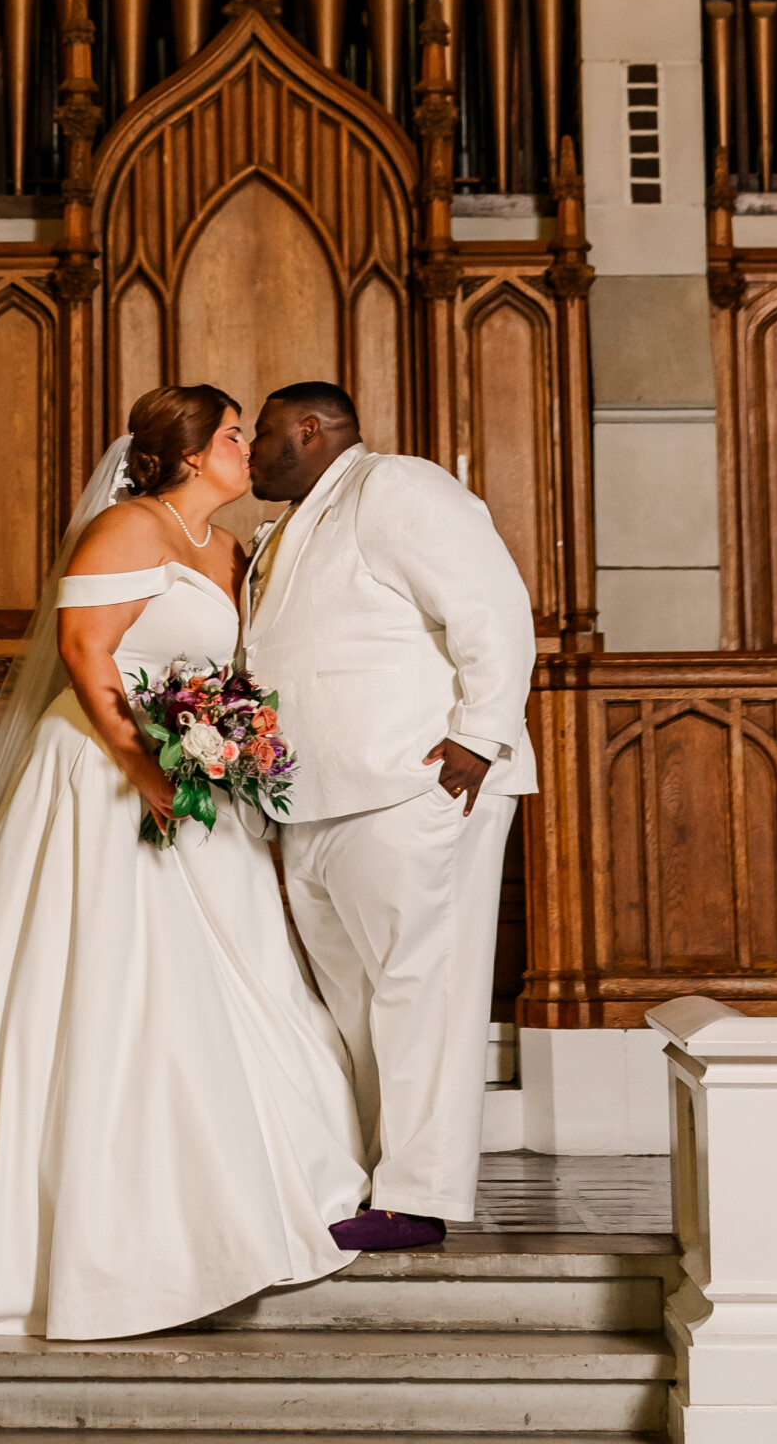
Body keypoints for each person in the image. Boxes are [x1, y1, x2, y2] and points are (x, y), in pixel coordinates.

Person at [0, 383, 366, 1341]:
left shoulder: (231, 547)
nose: (245, 448)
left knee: (240, 977)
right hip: (101, 775)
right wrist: (144, 769)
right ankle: (82, 1215)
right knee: (105, 974)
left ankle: (249, 1179)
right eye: (231, 434)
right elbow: (89, 655)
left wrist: (225, 748)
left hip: (195, 779)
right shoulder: (126, 531)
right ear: (185, 452)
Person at [243, 381, 537, 1253]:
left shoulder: (398, 487)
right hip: (316, 798)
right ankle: (375, 1175)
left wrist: (478, 738)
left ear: (308, 429)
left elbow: (492, 608)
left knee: (423, 992)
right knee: (355, 1002)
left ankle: (419, 1195)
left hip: (417, 784)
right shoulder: (287, 527)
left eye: (260, 436)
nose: (252, 454)